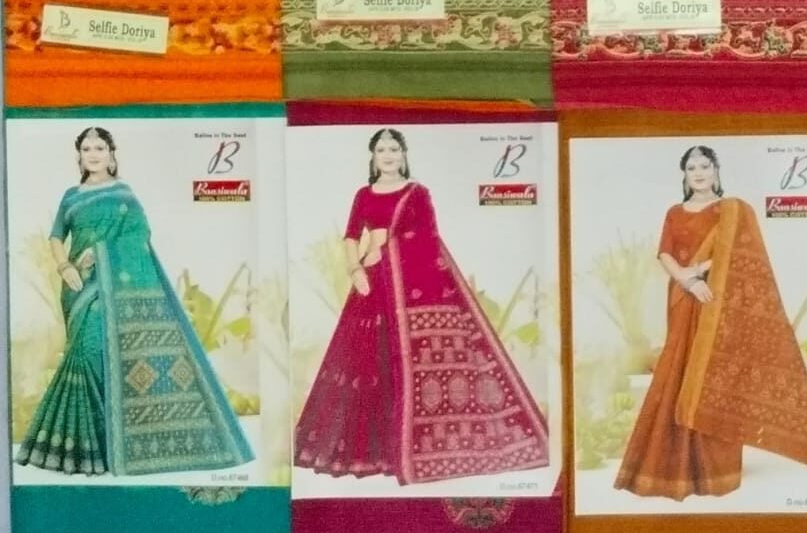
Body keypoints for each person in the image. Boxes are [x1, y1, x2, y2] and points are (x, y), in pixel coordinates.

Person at [294, 128, 548, 484]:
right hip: (370, 281)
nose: (388, 155)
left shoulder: (417, 193)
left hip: (405, 284)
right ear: (373, 156)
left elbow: (428, 238)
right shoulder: (363, 194)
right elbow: (351, 236)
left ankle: (405, 452)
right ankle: (374, 453)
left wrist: (389, 252)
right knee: (366, 362)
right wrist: (355, 270)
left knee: (401, 363)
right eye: (381, 149)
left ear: (403, 154)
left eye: (394, 149)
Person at [16, 127, 252, 476]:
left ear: (111, 154)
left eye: (100, 148)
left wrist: (100, 252)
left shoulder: (123, 194)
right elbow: (56, 236)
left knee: (94, 354)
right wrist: (64, 266)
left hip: (111, 285)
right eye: (86, 148)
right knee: (83, 353)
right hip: (77, 286)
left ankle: (102, 449)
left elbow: (139, 236)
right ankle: (82, 450)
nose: (93, 154)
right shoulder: (71, 196)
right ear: (79, 156)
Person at [614, 144, 807, 499]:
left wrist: (701, 272)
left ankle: (714, 468)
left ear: (716, 170)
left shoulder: (733, 210)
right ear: (684, 175)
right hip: (683, 297)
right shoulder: (674, 212)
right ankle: (669, 461)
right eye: (691, 168)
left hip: (718, 299)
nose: (699, 173)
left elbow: (739, 256)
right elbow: (664, 253)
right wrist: (687, 280)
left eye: (704, 166)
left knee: (714, 372)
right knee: (678, 366)